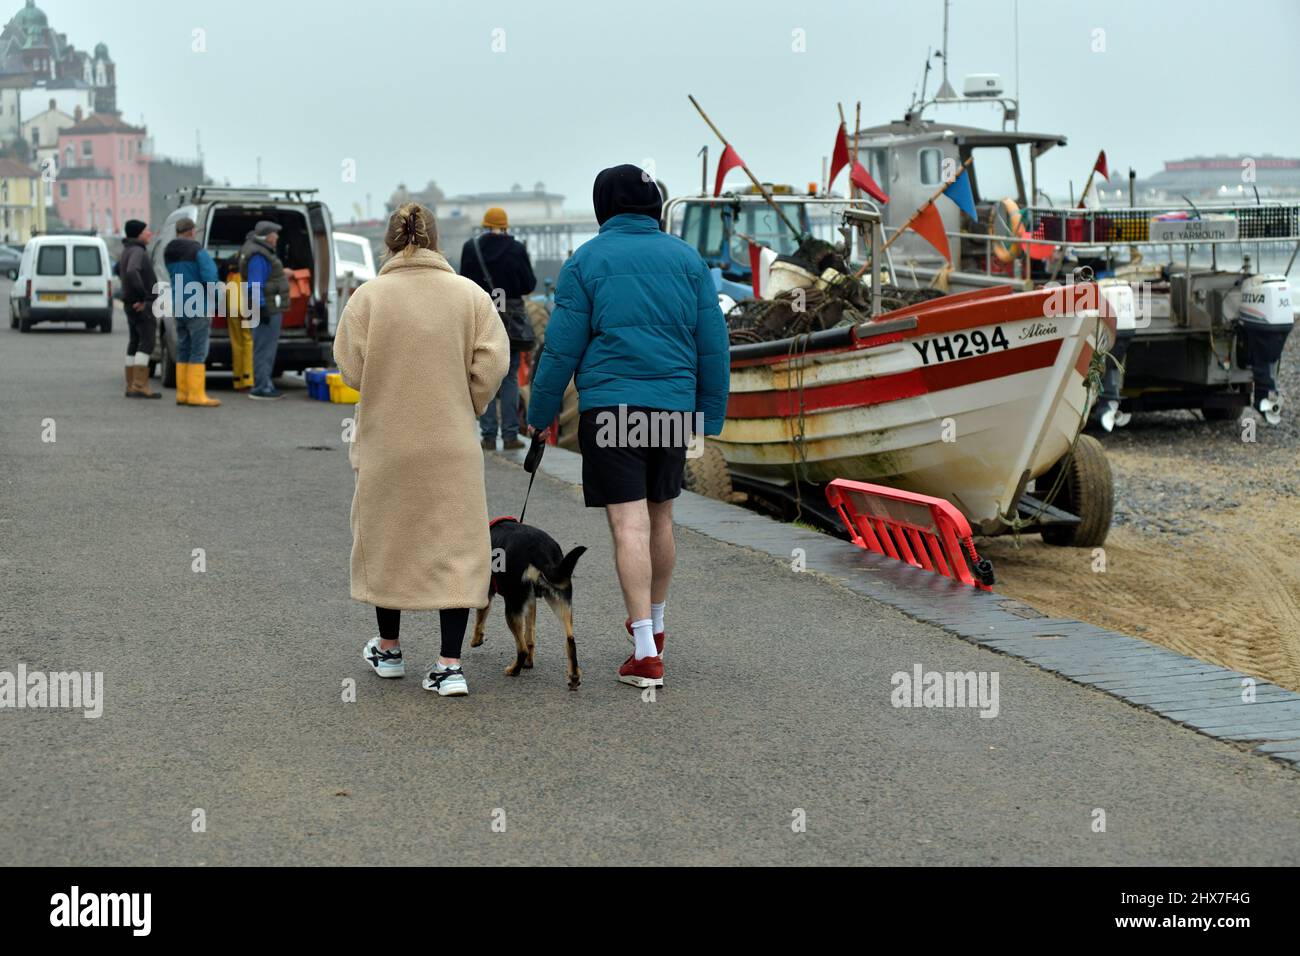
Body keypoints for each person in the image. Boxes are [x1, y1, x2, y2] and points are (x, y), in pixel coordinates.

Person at [525, 165, 730, 689]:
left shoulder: (587, 261)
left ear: (603, 207)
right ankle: (655, 629)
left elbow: (561, 348)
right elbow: (713, 346)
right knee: (661, 519)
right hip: (672, 409)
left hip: (613, 409)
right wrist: (708, 415)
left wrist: (541, 412)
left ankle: (644, 653)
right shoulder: (687, 259)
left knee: (629, 525)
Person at [334, 202, 509, 697]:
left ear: (389, 243)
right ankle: (448, 666)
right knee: (454, 546)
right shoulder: (469, 296)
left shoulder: (368, 298)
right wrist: (467, 401)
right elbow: (492, 362)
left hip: (389, 442)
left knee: (390, 539)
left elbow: (350, 369)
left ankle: (388, 650)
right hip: (451, 442)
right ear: (435, 241)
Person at [458, 206, 537, 450]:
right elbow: (529, 285)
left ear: (484, 225)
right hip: (510, 320)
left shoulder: (471, 248)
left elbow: (464, 284)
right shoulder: (516, 249)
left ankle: (488, 436)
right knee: (511, 375)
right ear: (505, 227)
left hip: (482, 315)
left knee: (484, 373)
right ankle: (511, 436)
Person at [163, 217, 221, 407]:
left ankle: (183, 393)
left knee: (183, 349)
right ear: (192, 231)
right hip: (197, 306)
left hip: (179, 306)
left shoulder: (169, 252)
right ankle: (196, 395)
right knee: (198, 351)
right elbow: (210, 278)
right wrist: (220, 301)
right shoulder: (198, 251)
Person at [238, 220, 291, 400]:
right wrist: (261, 308)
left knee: (266, 348)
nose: (277, 238)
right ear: (268, 236)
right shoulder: (258, 255)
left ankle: (265, 384)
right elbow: (255, 284)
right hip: (265, 307)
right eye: (275, 235)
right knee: (264, 349)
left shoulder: (259, 251)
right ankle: (261, 387)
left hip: (266, 305)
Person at [118, 219, 160, 399]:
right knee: (147, 342)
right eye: (146, 231)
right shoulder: (137, 251)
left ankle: (131, 383)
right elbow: (131, 271)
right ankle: (139, 385)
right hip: (141, 305)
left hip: (130, 304)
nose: (149, 233)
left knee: (134, 342)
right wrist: (144, 296)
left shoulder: (127, 250)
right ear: (138, 233)